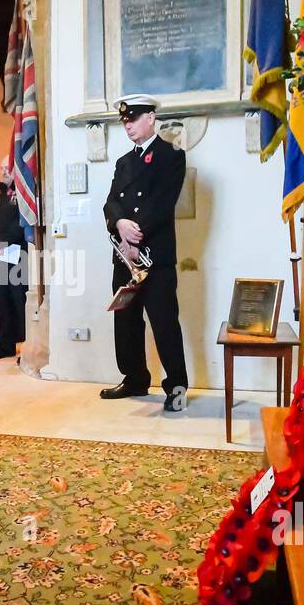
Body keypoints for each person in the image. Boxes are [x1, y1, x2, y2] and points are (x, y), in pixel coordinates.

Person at [101, 94, 190, 412]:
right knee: (125, 321)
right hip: (125, 256)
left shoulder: (171, 156)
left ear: (151, 118)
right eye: (125, 121)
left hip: (155, 256)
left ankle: (176, 387)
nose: (128, 125)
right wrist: (120, 224)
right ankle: (135, 378)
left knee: (165, 323)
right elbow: (110, 202)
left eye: (134, 119)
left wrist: (136, 236)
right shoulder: (124, 162)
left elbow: (162, 204)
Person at [0, 164, 28, 361]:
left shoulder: (23, 196)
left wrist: (0, 242)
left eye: (7, 168)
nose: (3, 171)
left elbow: (20, 224)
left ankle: (27, 347)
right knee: (2, 302)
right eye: (1, 168)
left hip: (18, 255)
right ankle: (4, 345)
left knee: (20, 302)